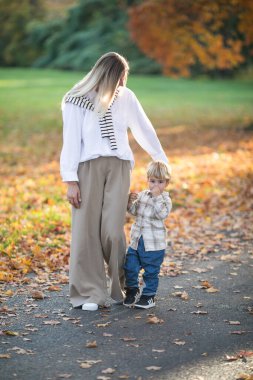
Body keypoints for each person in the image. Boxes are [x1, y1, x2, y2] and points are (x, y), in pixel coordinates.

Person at [60, 52, 168, 311]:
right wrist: (70, 179)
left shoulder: (125, 97)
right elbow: (71, 140)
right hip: (87, 168)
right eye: (120, 77)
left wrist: (161, 160)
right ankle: (89, 294)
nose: (122, 83)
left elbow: (143, 128)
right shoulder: (75, 99)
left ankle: (124, 285)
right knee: (86, 231)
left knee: (112, 231)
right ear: (109, 75)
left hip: (119, 167)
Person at [124, 160, 172, 309]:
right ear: (147, 180)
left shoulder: (165, 199)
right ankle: (132, 290)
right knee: (130, 266)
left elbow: (162, 214)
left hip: (154, 245)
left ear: (166, 183)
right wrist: (129, 203)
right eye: (152, 181)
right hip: (137, 241)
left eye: (160, 182)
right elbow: (134, 212)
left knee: (151, 272)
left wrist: (157, 197)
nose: (155, 185)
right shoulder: (143, 195)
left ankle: (148, 297)